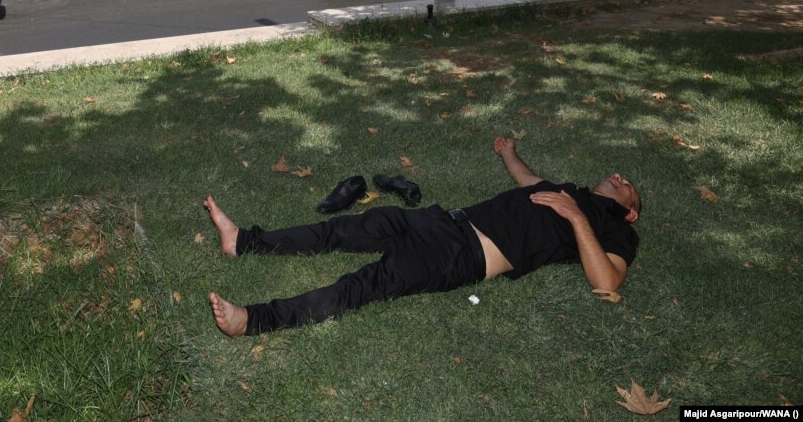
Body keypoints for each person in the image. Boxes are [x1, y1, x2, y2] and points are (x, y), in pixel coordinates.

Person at [206, 137, 641, 337]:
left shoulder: (615, 229)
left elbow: (607, 282)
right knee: (338, 229)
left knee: (361, 287)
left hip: (464, 255)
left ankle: (255, 320)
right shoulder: (571, 191)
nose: (619, 177)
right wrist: (511, 154)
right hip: (440, 222)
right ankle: (244, 242)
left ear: (631, 210)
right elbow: (529, 181)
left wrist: (576, 219)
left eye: (626, 185)